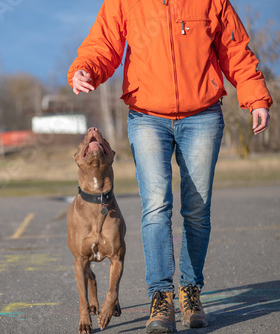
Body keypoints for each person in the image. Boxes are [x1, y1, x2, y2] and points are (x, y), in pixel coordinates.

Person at [68, 0, 272, 332]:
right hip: (147, 116)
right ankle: (160, 297)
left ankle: (190, 291)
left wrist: (255, 96)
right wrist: (85, 69)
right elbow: (103, 43)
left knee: (196, 207)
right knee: (156, 206)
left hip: (203, 115)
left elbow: (234, 48)